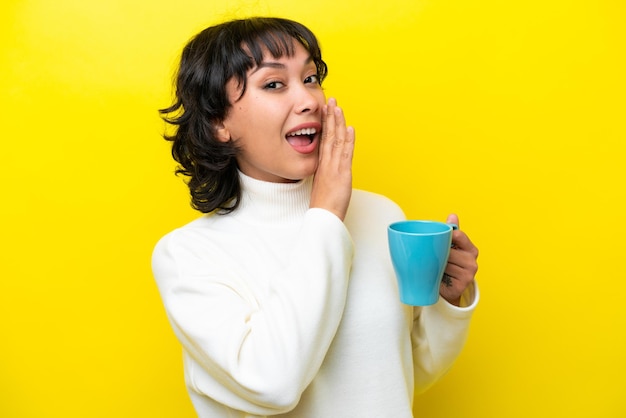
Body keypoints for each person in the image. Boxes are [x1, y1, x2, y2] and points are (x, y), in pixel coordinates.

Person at [152, 17, 479, 418]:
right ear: (218, 121)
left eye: (310, 78)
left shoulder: (381, 215)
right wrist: (326, 215)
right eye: (274, 84)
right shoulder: (187, 256)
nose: (309, 101)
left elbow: (398, 375)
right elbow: (272, 384)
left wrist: (447, 301)